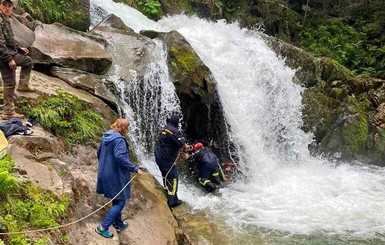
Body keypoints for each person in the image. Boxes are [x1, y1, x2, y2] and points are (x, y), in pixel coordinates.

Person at [95, 118, 142, 239]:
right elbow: (120, 157)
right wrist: (134, 168)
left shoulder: (107, 136)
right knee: (121, 201)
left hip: (104, 172)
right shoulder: (119, 140)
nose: (128, 130)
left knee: (117, 197)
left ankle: (119, 223)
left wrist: (106, 165)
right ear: (124, 129)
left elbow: (98, 153)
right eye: (127, 128)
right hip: (114, 175)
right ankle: (103, 227)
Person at [0, 0, 34, 120]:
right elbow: (0, 44)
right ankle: (8, 112)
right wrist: (9, 59)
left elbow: (9, 39)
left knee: (28, 61)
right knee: (9, 83)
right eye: (4, 5)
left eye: (10, 6)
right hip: (3, 57)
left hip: (8, 54)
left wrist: (19, 48)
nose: (7, 8)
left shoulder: (6, 20)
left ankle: (23, 85)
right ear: (0, 6)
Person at [154, 114, 191, 207]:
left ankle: (166, 190)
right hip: (167, 159)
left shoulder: (165, 128)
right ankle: (173, 200)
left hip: (159, 156)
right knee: (174, 177)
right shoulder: (174, 131)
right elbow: (182, 143)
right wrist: (187, 147)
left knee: (165, 174)